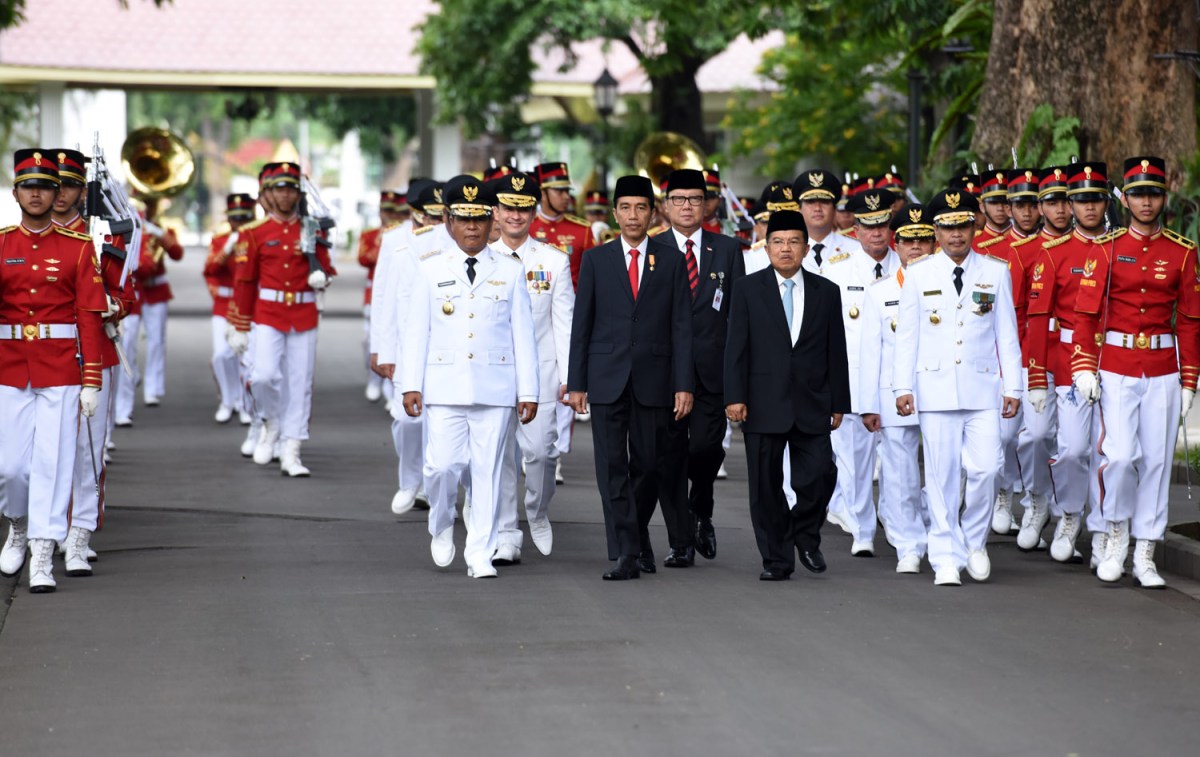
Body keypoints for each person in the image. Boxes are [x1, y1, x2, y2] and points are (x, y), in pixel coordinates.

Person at [399, 175, 539, 578]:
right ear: (448, 222)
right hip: (444, 387)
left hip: (495, 388)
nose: (473, 227)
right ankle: (441, 524)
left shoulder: (511, 272)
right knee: (441, 468)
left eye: (479, 218)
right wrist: (411, 383)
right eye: (464, 219)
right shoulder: (430, 270)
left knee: (487, 474)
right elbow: (416, 332)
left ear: (490, 219)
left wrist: (528, 389)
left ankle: (480, 552)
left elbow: (523, 337)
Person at [1071, 156, 1200, 588]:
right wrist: (1084, 367)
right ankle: (1115, 533)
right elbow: (1085, 315)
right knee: (1121, 457)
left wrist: (1189, 379)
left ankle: (1146, 552)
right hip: (1117, 367)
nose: (1147, 202)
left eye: (1154, 193)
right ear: (1123, 198)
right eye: (1139, 193)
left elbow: (1189, 320)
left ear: (1164, 197)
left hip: (1163, 368)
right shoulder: (1104, 249)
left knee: (1159, 462)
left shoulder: (1182, 252)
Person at [567, 174, 693, 580]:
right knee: (610, 467)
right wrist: (577, 383)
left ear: (653, 212)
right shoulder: (596, 259)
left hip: (655, 379)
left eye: (641, 207)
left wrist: (683, 383)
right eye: (626, 207)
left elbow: (681, 327)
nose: (633, 215)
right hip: (606, 377)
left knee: (650, 465)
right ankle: (626, 550)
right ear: (615, 212)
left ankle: (636, 535)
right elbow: (581, 325)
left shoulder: (671, 260)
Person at [894, 188, 1022, 586]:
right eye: (947, 228)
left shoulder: (995, 271)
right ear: (935, 231)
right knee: (942, 476)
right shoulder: (918, 274)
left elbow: (1007, 335)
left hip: (983, 388)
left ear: (975, 226)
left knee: (985, 470)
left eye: (963, 226)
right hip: (934, 389)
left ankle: (974, 541)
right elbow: (907, 338)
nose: (955, 236)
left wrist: (1013, 387)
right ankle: (945, 555)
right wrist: (903, 387)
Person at [0, 149, 107, 592]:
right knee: (11, 469)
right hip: (8, 367)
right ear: (16, 192)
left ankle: (41, 556)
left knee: (53, 463)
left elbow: (89, 315)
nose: (38, 194)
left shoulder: (79, 248)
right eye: (29, 186)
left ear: (57, 192)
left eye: (46, 186)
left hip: (61, 368)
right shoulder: (2, 243)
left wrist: (92, 380)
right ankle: (18, 525)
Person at [724, 209, 849, 580]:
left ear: (806, 248)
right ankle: (777, 559)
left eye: (794, 242)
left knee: (820, 476)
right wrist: (734, 396)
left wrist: (839, 401)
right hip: (761, 401)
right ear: (766, 248)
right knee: (765, 488)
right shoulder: (747, 289)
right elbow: (735, 348)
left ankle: (805, 535)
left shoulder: (827, 292)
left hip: (812, 401)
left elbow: (836, 350)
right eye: (778, 242)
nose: (785, 249)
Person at [653, 168, 746, 564]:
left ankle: (700, 507)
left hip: (712, 371)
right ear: (666, 205)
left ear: (707, 205)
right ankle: (680, 542)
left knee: (706, 449)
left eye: (694, 199)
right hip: (665, 372)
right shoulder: (653, 248)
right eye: (679, 199)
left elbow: (737, 315)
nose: (687, 206)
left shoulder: (726, 249)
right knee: (669, 458)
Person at [1024, 162, 1112, 563]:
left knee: (1108, 452)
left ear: (1107, 200)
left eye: (1095, 199)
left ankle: (1101, 533)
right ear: (1070, 205)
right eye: (1080, 200)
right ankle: (1069, 514)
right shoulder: (1053, 254)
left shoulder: (1120, 246)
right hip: (1067, 364)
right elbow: (1039, 320)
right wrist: (1037, 376)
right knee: (1074, 449)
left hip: (1114, 359)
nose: (1088, 208)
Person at [226, 161, 335, 478]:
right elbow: (244, 282)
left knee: (300, 384)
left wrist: (322, 277)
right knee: (262, 376)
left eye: (290, 189)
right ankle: (270, 421)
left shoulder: (312, 227)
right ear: (267, 195)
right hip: (268, 312)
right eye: (279, 189)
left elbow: (326, 266)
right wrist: (239, 325)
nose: (286, 195)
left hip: (303, 312)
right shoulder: (255, 233)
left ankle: (292, 449)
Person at [488, 171, 574, 560]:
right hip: (493, 374)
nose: (516, 216)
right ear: (495, 212)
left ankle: (537, 512)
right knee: (499, 455)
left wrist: (572, 380)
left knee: (541, 453)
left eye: (523, 209)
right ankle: (506, 532)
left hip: (541, 373)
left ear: (534, 212)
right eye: (508, 208)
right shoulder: (481, 260)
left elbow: (564, 324)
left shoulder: (553, 261)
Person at [821, 187, 900, 557]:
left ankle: (898, 522)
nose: (877, 233)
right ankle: (862, 529)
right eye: (869, 226)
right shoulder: (837, 271)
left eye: (883, 224)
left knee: (898, 460)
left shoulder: (908, 268)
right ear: (855, 230)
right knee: (854, 461)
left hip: (897, 379)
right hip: (852, 379)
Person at [860, 204, 936, 573]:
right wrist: (867, 404)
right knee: (900, 471)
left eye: (923, 240)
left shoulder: (949, 284)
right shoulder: (880, 291)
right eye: (909, 241)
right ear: (897, 244)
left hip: (940, 390)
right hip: (894, 394)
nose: (916, 248)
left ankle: (939, 533)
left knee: (946, 470)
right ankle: (908, 543)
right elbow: (869, 352)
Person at [373, 179, 443, 514]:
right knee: (407, 419)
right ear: (414, 213)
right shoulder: (393, 239)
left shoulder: (449, 237)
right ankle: (408, 481)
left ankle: (431, 488)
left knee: (437, 420)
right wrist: (381, 350)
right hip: (403, 344)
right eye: (429, 216)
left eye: (440, 216)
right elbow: (383, 297)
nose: (434, 223)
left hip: (440, 342)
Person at [977, 169, 1036, 535]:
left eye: (1033, 204)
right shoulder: (988, 253)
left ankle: (1036, 502)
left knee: (1039, 438)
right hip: (1003, 354)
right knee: (1004, 435)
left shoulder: (1049, 247)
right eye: (1015, 204)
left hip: (1041, 349)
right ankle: (1002, 492)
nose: (1024, 212)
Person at [205, 193, 256, 424]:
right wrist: (229, 245)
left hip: (250, 304)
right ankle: (227, 400)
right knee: (221, 356)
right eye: (235, 218)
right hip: (224, 304)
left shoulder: (256, 238)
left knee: (247, 357)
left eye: (244, 217)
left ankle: (246, 404)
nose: (239, 223)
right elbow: (211, 269)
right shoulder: (220, 240)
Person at [358, 189, 407, 404]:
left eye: (392, 210)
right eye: (384, 210)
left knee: (395, 339)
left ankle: (390, 386)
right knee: (369, 339)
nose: (388, 214)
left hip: (396, 290)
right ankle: (373, 379)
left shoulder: (398, 233)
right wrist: (381, 241)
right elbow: (364, 258)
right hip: (373, 291)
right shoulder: (372, 234)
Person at [530, 162, 596, 289]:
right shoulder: (527, 227)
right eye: (559, 191)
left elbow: (592, 276)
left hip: (573, 305)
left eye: (567, 191)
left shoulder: (583, 230)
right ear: (542, 194)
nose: (567, 197)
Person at [796, 168, 862, 276]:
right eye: (810, 202)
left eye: (824, 201)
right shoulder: (788, 250)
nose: (817, 208)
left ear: (834, 210)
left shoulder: (857, 248)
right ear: (799, 210)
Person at [977, 169, 1011, 244]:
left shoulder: (1027, 240)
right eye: (994, 203)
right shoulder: (972, 245)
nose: (1000, 208)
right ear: (982, 207)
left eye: (1006, 202)